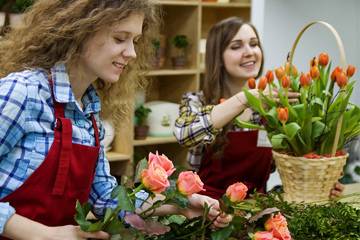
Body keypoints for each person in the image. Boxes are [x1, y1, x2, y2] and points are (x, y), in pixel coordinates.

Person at [0, 1, 231, 239]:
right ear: (79, 31)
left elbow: (106, 197)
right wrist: (44, 234)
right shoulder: (22, 93)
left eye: (135, 41)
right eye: (120, 38)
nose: (131, 53)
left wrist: (181, 204)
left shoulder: (89, 114)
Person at [174, 17, 344, 200]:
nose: (249, 52)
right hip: (205, 212)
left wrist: (317, 182)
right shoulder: (196, 101)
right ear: (218, 57)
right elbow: (184, 133)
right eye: (236, 46)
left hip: (256, 213)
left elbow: (292, 167)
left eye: (254, 44)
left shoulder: (275, 108)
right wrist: (245, 99)